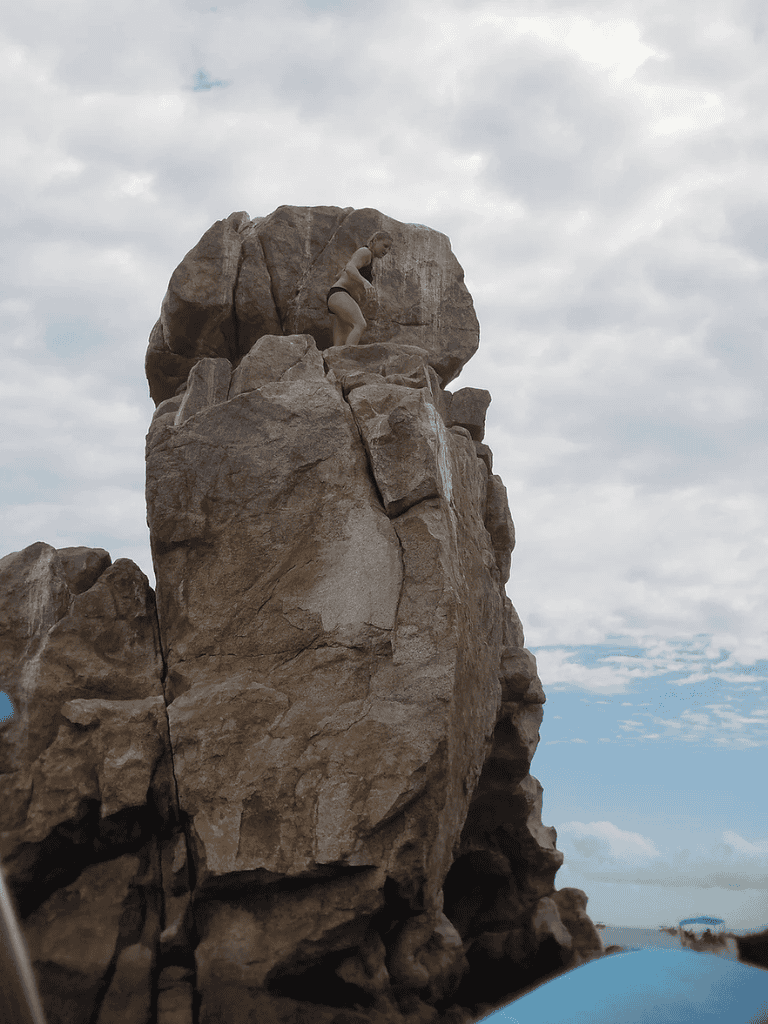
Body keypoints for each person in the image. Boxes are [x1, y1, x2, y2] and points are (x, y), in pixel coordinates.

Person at [326, 231, 393, 346]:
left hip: (341, 297)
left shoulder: (368, 259)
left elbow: (339, 274)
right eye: (385, 246)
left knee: (340, 346)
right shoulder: (365, 252)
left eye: (389, 249)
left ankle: (338, 363)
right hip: (341, 294)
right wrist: (365, 282)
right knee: (360, 324)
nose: (386, 251)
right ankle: (348, 360)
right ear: (375, 240)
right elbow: (350, 267)